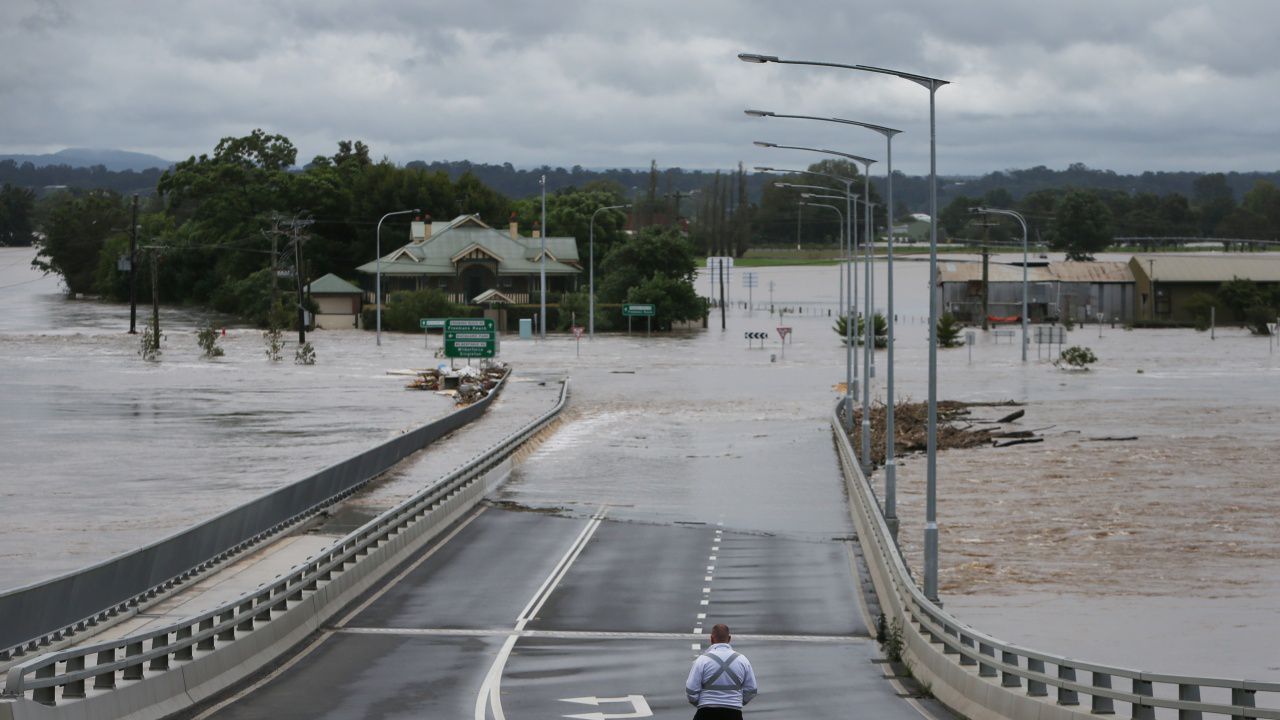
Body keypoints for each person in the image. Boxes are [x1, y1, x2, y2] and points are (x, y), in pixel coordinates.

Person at [685, 623, 758, 718]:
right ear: (729, 639)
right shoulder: (742, 660)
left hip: (706, 712)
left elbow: (691, 690)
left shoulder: (702, 660)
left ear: (711, 639)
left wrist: (701, 702)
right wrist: (736, 701)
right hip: (733, 713)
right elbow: (751, 690)